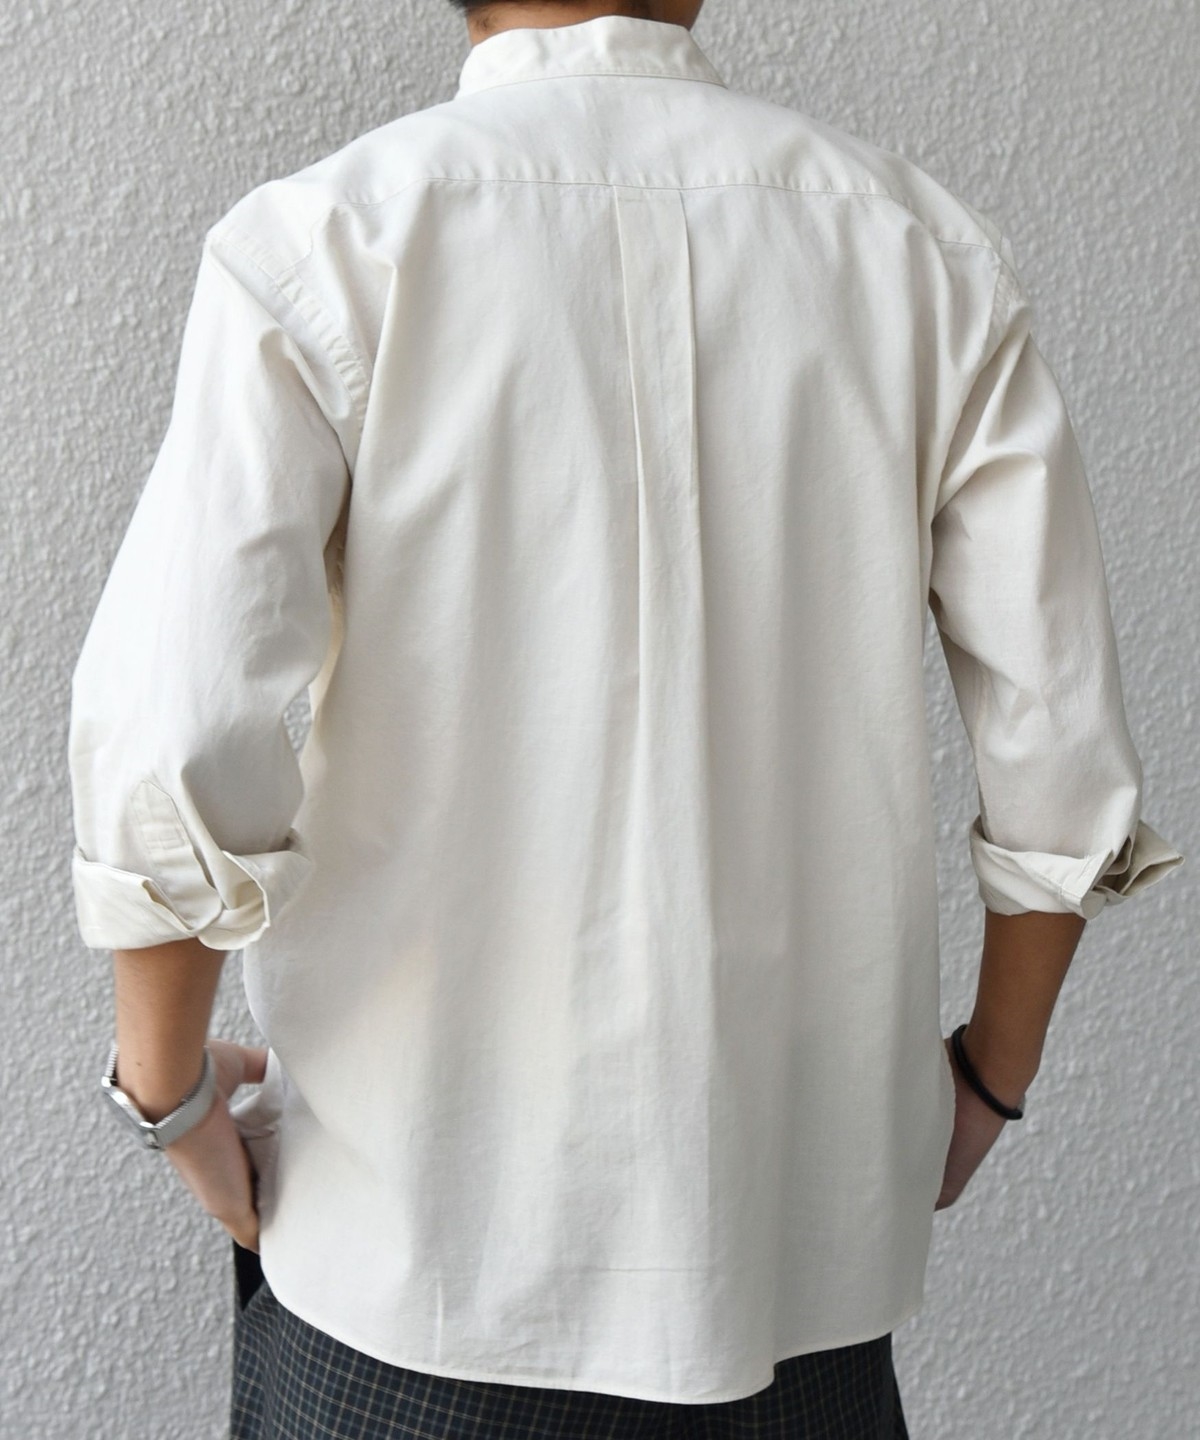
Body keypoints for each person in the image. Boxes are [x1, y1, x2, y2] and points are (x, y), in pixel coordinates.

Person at [68, 2, 1185, 1437]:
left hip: (406, 1269)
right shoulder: (923, 258)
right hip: (790, 1282)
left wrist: (169, 1099)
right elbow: (1063, 758)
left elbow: (175, 730)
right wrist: (989, 1079)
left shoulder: (329, 244)